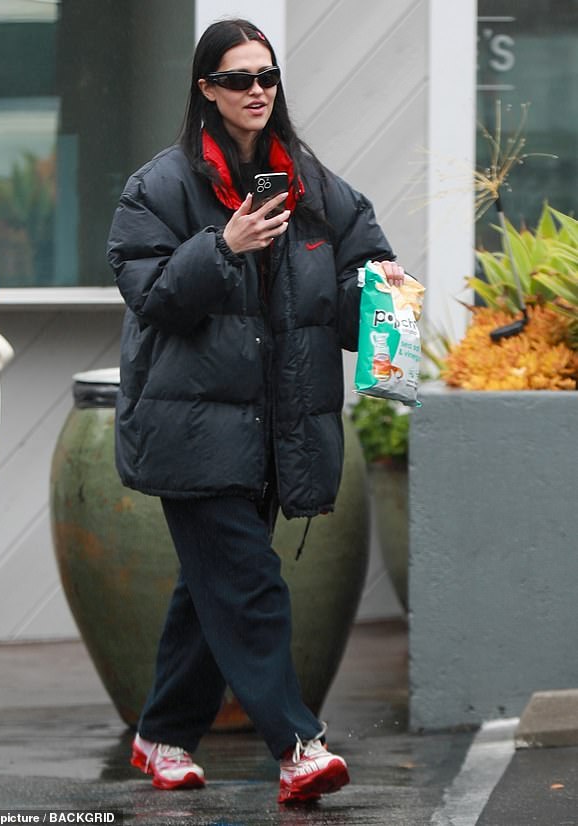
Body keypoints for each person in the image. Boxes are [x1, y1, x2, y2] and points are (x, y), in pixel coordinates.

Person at [107, 18, 406, 805]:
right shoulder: (160, 187)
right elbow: (151, 295)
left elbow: (357, 273)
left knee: (211, 593)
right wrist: (224, 245)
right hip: (190, 430)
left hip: (278, 432)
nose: (257, 91)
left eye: (266, 76)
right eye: (238, 78)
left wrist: (380, 295)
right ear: (205, 89)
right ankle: (298, 745)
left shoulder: (311, 185)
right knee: (249, 586)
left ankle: (161, 734)